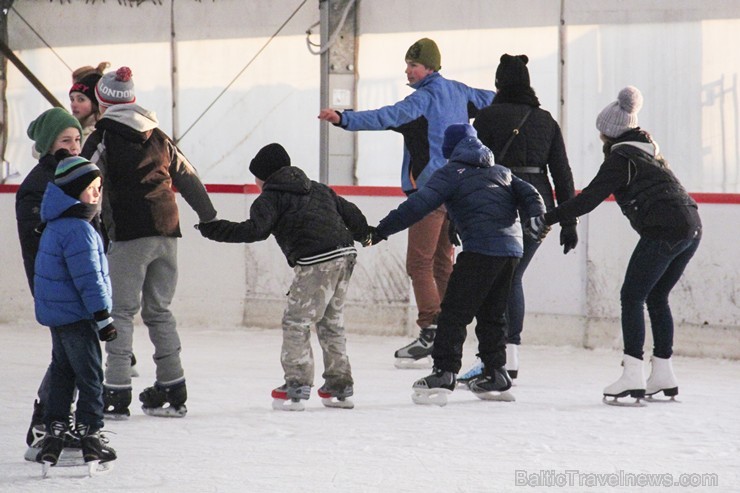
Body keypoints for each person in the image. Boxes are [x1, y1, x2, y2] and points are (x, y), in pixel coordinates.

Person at [318, 38, 495, 368]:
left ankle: (431, 328)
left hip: (431, 191)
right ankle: (448, 331)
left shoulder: (424, 99)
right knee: (442, 263)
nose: (407, 70)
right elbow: (497, 101)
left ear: (429, 67)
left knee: (418, 263)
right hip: (459, 187)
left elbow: (387, 116)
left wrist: (344, 119)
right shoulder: (462, 92)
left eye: (413, 64)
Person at [525, 86, 702, 405]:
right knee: (656, 296)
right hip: (691, 225)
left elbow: (589, 198)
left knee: (632, 296)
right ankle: (663, 373)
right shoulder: (650, 153)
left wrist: (547, 218)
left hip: (666, 229)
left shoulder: (622, 158)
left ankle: (633, 375)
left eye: (601, 134)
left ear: (609, 133)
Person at [368, 124, 547, 406]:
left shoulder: (451, 173)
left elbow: (418, 205)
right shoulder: (500, 171)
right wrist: (537, 216)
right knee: (492, 314)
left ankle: (444, 372)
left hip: (481, 249)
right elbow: (531, 193)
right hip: (511, 250)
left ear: (449, 149)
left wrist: (380, 231)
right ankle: (495, 372)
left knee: (453, 313)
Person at [82, 66, 219, 418]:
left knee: (121, 312)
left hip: (129, 233)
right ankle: (173, 388)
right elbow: (187, 176)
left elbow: (81, 179)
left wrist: (68, 219)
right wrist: (209, 217)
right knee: (159, 311)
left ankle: (116, 392)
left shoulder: (103, 137)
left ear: (101, 101)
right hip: (167, 230)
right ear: (132, 99)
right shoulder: (157, 134)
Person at [198, 143, 370, 411]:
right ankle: (339, 384)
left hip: (316, 260)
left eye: (255, 177)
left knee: (296, 322)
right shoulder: (318, 188)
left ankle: (297, 384)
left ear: (264, 176)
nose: (255, 182)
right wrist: (366, 235)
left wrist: (214, 229)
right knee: (330, 321)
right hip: (345, 254)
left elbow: (255, 230)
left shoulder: (270, 198)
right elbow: (352, 213)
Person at [460, 53, 578, 382]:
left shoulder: (485, 119)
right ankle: (507, 357)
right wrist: (568, 221)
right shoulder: (546, 121)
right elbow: (562, 174)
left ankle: (496, 360)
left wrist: (457, 217)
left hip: (495, 204)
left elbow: (469, 168)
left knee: (498, 279)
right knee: (513, 277)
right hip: (537, 208)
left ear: (499, 83)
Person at [33, 155, 117, 472]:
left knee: (63, 373)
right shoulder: (79, 230)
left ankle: (55, 430)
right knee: (91, 375)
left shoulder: (57, 224)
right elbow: (89, 279)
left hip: (59, 316)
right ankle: (90, 433)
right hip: (78, 317)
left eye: (99, 188)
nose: (97, 195)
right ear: (72, 191)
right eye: (91, 189)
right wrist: (103, 316)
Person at [16, 107, 82, 459]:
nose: (73, 147)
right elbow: (38, 241)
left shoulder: (77, 176)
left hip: (76, 281)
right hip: (55, 284)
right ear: (48, 145)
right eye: (64, 140)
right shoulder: (38, 185)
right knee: (69, 354)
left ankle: (51, 419)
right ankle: (47, 421)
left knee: (69, 354)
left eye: (77, 139)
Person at [69, 62, 109, 146]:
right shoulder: (72, 125)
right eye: (72, 99)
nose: (73, 104)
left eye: (81, 99)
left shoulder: (101, 132)